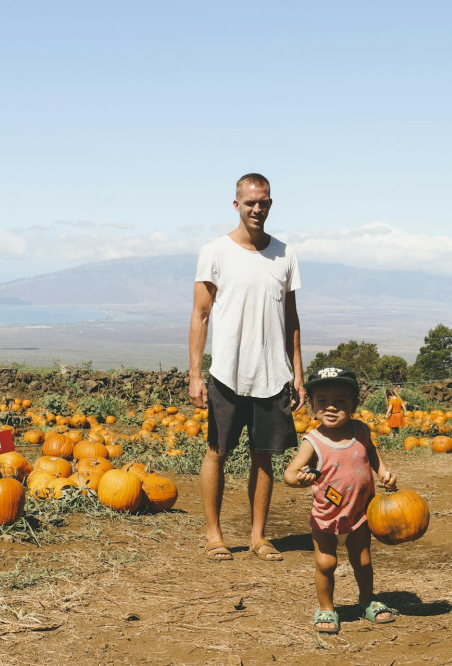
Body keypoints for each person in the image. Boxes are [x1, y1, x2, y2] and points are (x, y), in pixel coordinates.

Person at [189, 173, 307, 563]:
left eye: (264, 202)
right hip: (227, 372)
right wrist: (195, 374)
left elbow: (291, 319)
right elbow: (200, 315)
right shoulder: (215, 252)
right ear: (236, 204)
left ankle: (259, 537)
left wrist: (298, 374)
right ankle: (214, 535)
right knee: (216, 452)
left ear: (271, 204)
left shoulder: (285, 255)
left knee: (264, 455)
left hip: (272, 373)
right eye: (251, 202)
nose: (258, 208)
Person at [283, 366, 397, 634]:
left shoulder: (361, 431)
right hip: (327, 516)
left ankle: (367, 600)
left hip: (360, 514)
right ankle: (326, 607)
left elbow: (372, 454)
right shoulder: (313, 441)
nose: (331, 407)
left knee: (363, 561)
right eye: (322, 401)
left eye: (340, 401)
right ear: (312, 406)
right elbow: (289, 472)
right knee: (326, 564)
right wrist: (298, 479)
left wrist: (383, 473)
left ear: (354, 404)